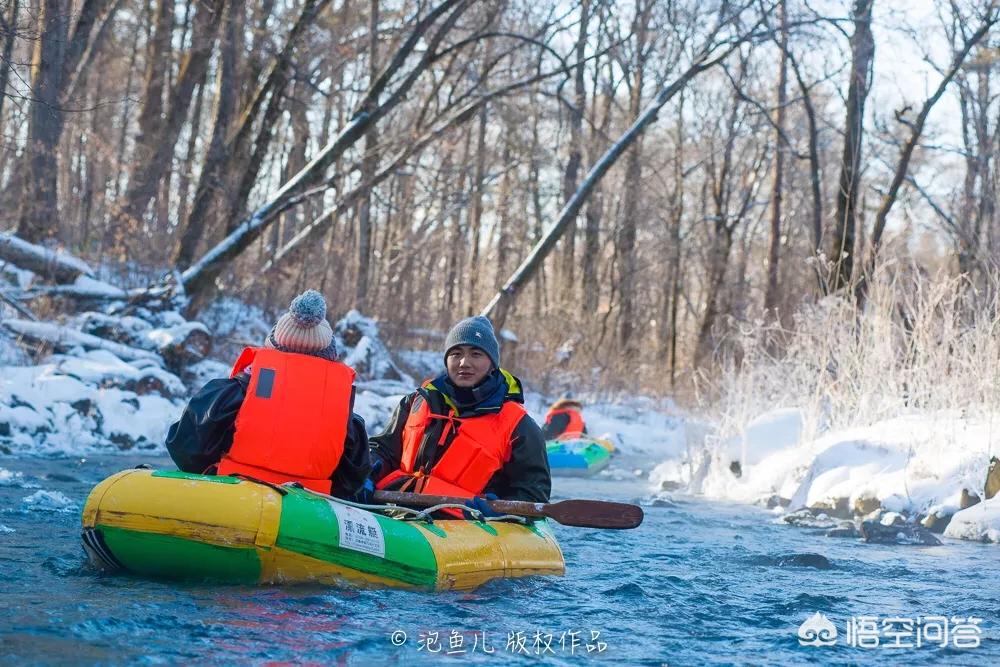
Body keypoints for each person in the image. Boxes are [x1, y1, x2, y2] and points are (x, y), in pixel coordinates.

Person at [165, 290, 371, 500]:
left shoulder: (232, 393)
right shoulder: (344, 414)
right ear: (328, 355)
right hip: (307, 508)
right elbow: (353, 478)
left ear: (272, 346)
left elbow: (185, 449)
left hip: (231, 497)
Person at [369, 315, 550, 515]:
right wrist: (367, 471)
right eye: (456, 353)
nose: (464, 362)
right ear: (447, 360)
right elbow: (383, 450)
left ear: (492, 363)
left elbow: (534, 493)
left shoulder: (519, 425)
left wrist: (501, 511)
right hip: (397, 509)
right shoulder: (416, 402)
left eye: (476, 354)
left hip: (468, 524)